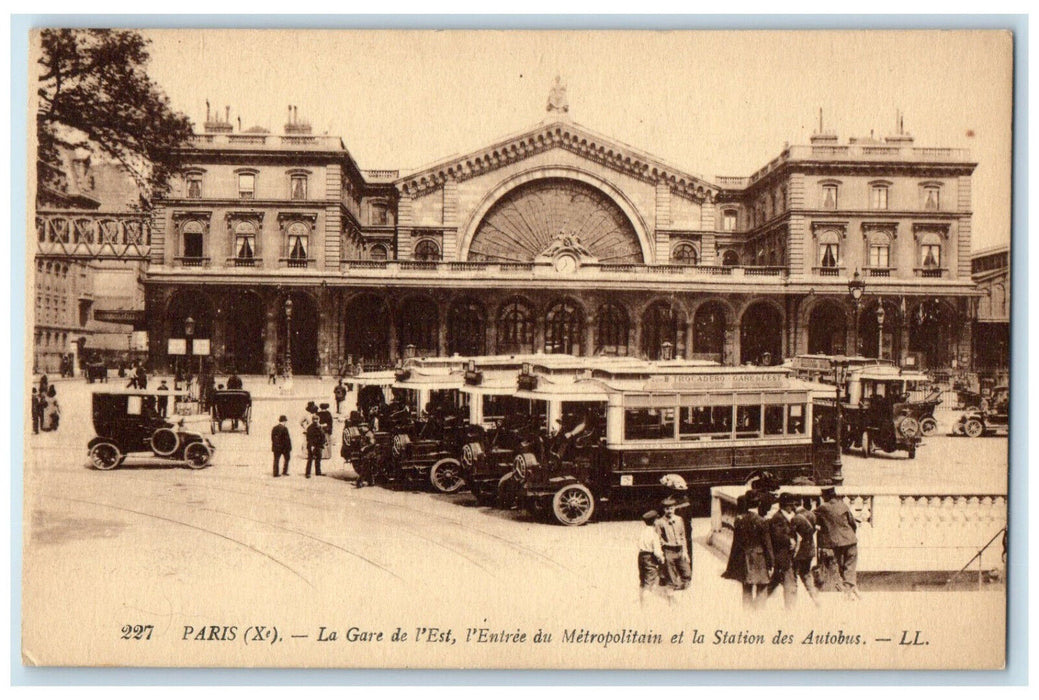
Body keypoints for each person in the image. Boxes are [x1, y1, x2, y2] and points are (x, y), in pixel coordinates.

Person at [722, 492, 772, 609]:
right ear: (759, 503)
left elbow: (735, 544)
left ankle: (748, 614)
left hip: (744, 557)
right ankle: (758, 613)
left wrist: (731, 565)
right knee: (762, 587)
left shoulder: (739, 521)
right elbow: (767, 544)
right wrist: (771, 562)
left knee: (747, 587)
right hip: (760, 558)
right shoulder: (762, 521)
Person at [815, 486, 860, 599]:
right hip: (850, 540)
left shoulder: (822, 508)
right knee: (850, 564)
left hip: (835, 542)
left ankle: (847, 590)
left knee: (840, 565)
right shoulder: (843, 505)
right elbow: (853, 523)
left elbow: (814, 520)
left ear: (825, 496)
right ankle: (851, 587)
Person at [765, 492, 800, 610]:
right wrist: (789, 541)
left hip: (786, 555)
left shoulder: (785, 517)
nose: (792, 507)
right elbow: (777, 535)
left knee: (774, 582)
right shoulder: (778, 518)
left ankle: (758, 603)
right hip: (782, 555)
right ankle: (790, 609)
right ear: (785, 506)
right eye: (790, 505)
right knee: (789, 582)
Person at [655, 497, 692, 591]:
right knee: (670, 574)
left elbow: (683, 536)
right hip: (668, 550)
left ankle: (682, 584)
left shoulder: (679, 519)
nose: (670, 511)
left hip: (679, 549)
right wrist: (664, 546)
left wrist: (685, 552)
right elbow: (658, 538)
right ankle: (671, 586)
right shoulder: (659, 522)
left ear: (675, 508)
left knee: (687, 572)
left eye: (671, 508)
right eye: (667, 509)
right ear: (664, 509)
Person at [792, 498, 821, 606]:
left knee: (793, 575)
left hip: (799, 550)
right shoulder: (811, 515)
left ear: (794, 505)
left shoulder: (795, 518)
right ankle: (814, 597)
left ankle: (792, 601)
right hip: (810, 548)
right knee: (806, 573)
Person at [637, 510, 665, 605]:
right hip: (650, 557)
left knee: (643, 581)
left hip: (641, 556)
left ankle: (641, 602)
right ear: (654, 521)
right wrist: (662, 558)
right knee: (650, 582)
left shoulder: (643, 532)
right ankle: (646, 607)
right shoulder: (654, 534)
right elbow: (657, 552)